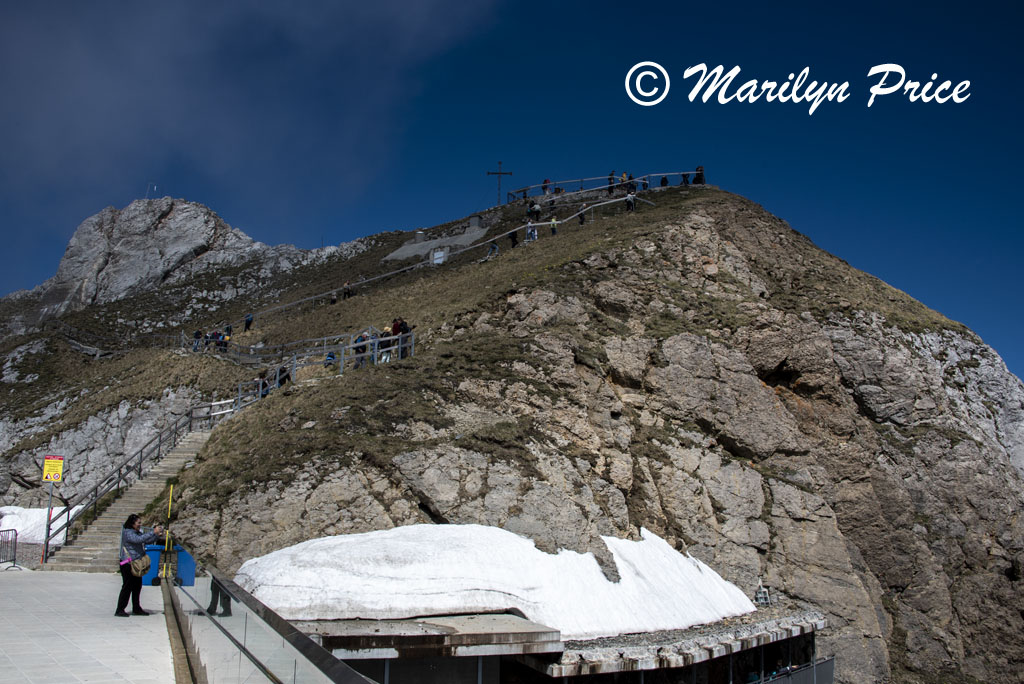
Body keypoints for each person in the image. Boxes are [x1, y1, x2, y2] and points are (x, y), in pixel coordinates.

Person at [116, 514, 164, 617]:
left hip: (136, 563)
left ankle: (136, 608)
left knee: (137, 586)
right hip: (128, 563)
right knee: (127, 587)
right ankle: (120, 609)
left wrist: (156, 535)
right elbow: (138, 540)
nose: (140, 525)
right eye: (138, 523)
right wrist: (153, 532)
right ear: (132, 523)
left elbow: (146, 540)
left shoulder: (136, 532)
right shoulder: (128, 533)